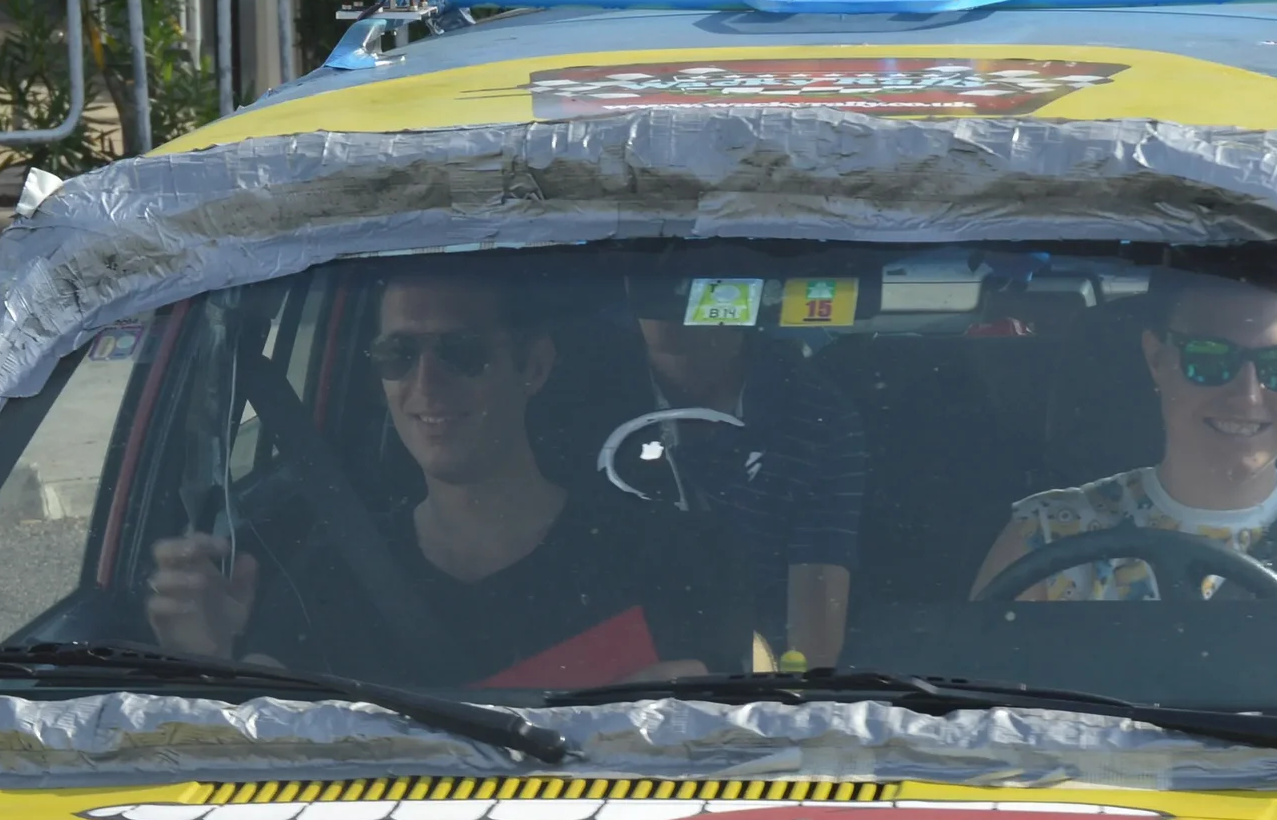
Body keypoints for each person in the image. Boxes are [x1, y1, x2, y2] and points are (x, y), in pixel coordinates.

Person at [148, 269, 728, 689]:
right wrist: (207, 660)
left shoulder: (660, 556)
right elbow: (254, 731)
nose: (427, 384)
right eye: (398, 353)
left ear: (533, 366)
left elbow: (736, 736)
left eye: (461, 351)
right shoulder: (334, 572)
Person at [971, 256, 1277, 692]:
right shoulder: (1047, 533)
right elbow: (972, 727)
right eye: (1209, 358)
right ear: (1158, 359)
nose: (1248, 394)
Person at [625, 271, 866, 667]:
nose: (668, 291)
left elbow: (812, 630)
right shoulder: (576, 393)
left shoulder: (814, 416)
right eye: (646, 272)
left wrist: (790, 698)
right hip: (586, 685)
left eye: (692, 272)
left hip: (744, 686)